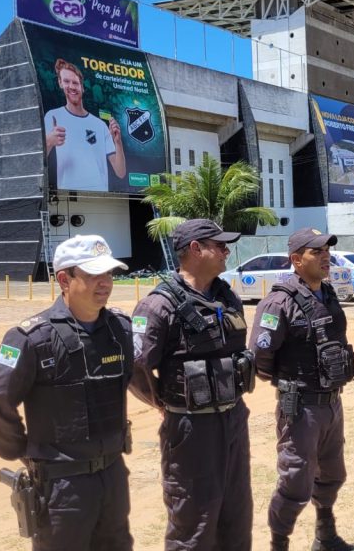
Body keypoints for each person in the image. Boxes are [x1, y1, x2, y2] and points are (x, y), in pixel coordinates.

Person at [0, 234, 133, 550]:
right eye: (93, 275)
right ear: (64, 279)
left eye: (108, 274)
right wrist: (23, 451)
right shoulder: (32, 337)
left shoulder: (120, 330)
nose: (104, 283)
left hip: (113, 476)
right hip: (63, 487)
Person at [129, 219, 254, 551]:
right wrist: (162, 404)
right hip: (190, 429)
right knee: (194, 524)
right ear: (196, 249)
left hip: (233, 419)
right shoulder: (158, 305)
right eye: (220, 245)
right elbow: (136, 367)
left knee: (236, 517)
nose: (227, 250)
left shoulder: (227, 296)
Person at [249, 228, 354, 551]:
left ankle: (325, 536)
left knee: (332, 474)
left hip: (331, 403)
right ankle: (278, 543)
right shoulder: (278, 302)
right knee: (296, 480)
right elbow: (260, 357)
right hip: (299, 407)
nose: (325, 255)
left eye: (327, 249)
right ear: (297, 260)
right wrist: (290, 385)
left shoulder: (327, 293)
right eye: (317, 251)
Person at [44, 58, 126, 192]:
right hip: (67, 196)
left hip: (99, 196)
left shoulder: (100, 125)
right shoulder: (53, 116)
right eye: (66, 81)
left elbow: (120, 172)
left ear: (82, 87)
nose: (71, 86)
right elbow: (37, 164)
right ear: (60, 83)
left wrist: (118, 142)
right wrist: (49, 142)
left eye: (75, 83)